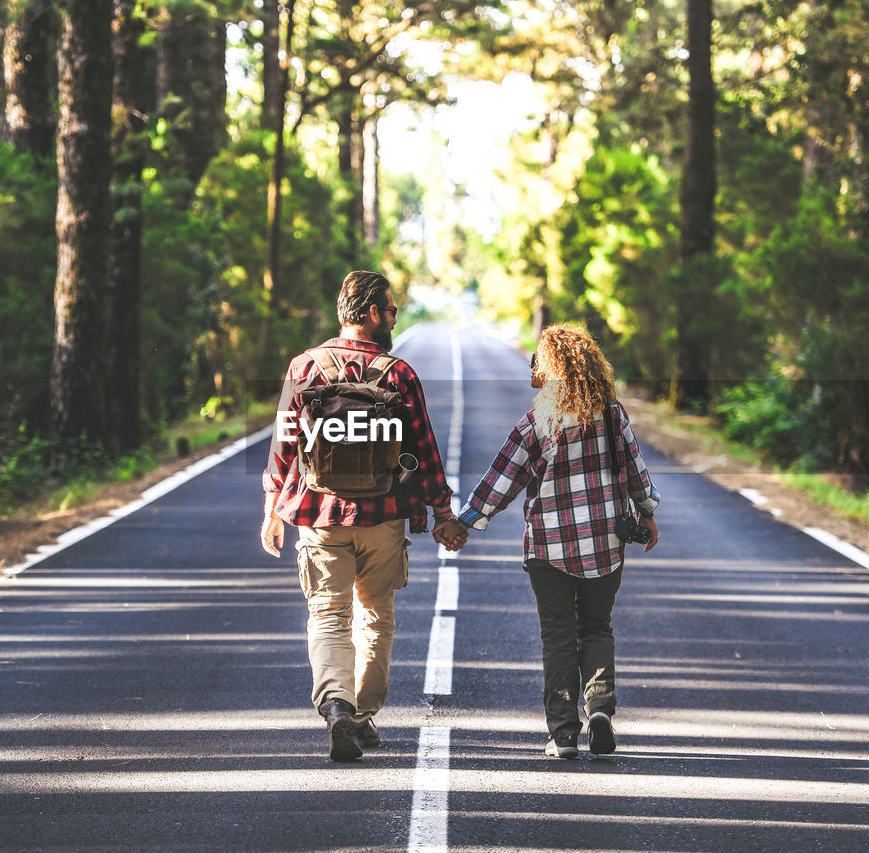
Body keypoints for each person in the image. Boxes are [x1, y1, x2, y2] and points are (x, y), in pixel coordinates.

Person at [261, 270, 467, 762]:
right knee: (375, 617)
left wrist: (272, 509)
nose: (394, 318)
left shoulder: (304, 369)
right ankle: (362, 714)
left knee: (328, 614)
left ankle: (336, 704)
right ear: (373, 314)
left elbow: (284, 445)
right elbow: (425, 451)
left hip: (319, 515)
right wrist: (443, 513)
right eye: (392, 310)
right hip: (384, 516)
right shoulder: (398, 375)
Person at [455, 324, 659, 759]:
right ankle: (600, 707)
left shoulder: (536, 421)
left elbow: (501, 481)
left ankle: (564, 734)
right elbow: (635, 470)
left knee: (559, 637)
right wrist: (647, 513)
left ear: (550, 368)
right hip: (604, 541)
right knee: (597, 627)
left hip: (548, 546)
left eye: (536, 359)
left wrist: (463, 522)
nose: (530, 366)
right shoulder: (611, 413)